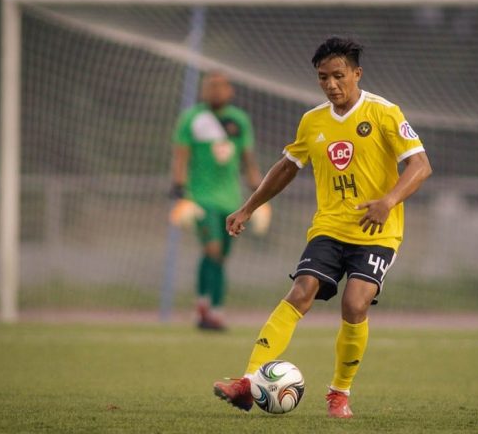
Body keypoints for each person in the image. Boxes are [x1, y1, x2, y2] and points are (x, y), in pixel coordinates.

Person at [213, 37, 432, 418]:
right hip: (329, 228)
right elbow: (286, 167)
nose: (331, 84)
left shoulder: (385, 112)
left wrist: (388, 201)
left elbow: (420, 166)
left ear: (356, 74)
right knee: (301, 292)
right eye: (323, 78)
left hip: (377, 232)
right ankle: (248, 383)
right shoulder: (312, 120)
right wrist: (247, 208)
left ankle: (339, 394)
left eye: (338, 76)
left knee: (354, 302)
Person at [170, 71, 263, 331]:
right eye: (209, 87)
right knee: (211, 249)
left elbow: (248, 160)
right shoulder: (192, 118)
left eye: (220, 87)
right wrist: (178, 185)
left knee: (221, 256)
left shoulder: (239, 120)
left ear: (230, 91)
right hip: (200, 198)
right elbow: (180, 155)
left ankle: (216, 311)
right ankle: (203, 308)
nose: (214, 91)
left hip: (231, 200)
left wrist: (261, 191)